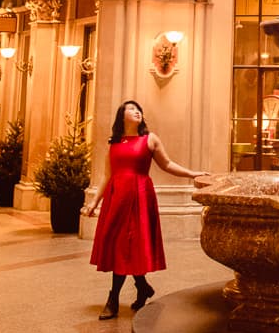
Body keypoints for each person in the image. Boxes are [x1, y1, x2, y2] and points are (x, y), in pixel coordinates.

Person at [87, 99, 203, 319]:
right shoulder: (114, 143)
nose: (137, 111)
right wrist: (94, 202)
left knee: (133, 246)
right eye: (131, 109)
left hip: (140, 197)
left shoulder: (150, 139)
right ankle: (141, 287)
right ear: (122, 116)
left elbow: (167, 164)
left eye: (138, 109)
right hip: (117, 199)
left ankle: (114, 299)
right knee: (120, 245)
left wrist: (192, 173)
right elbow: (107, 176)